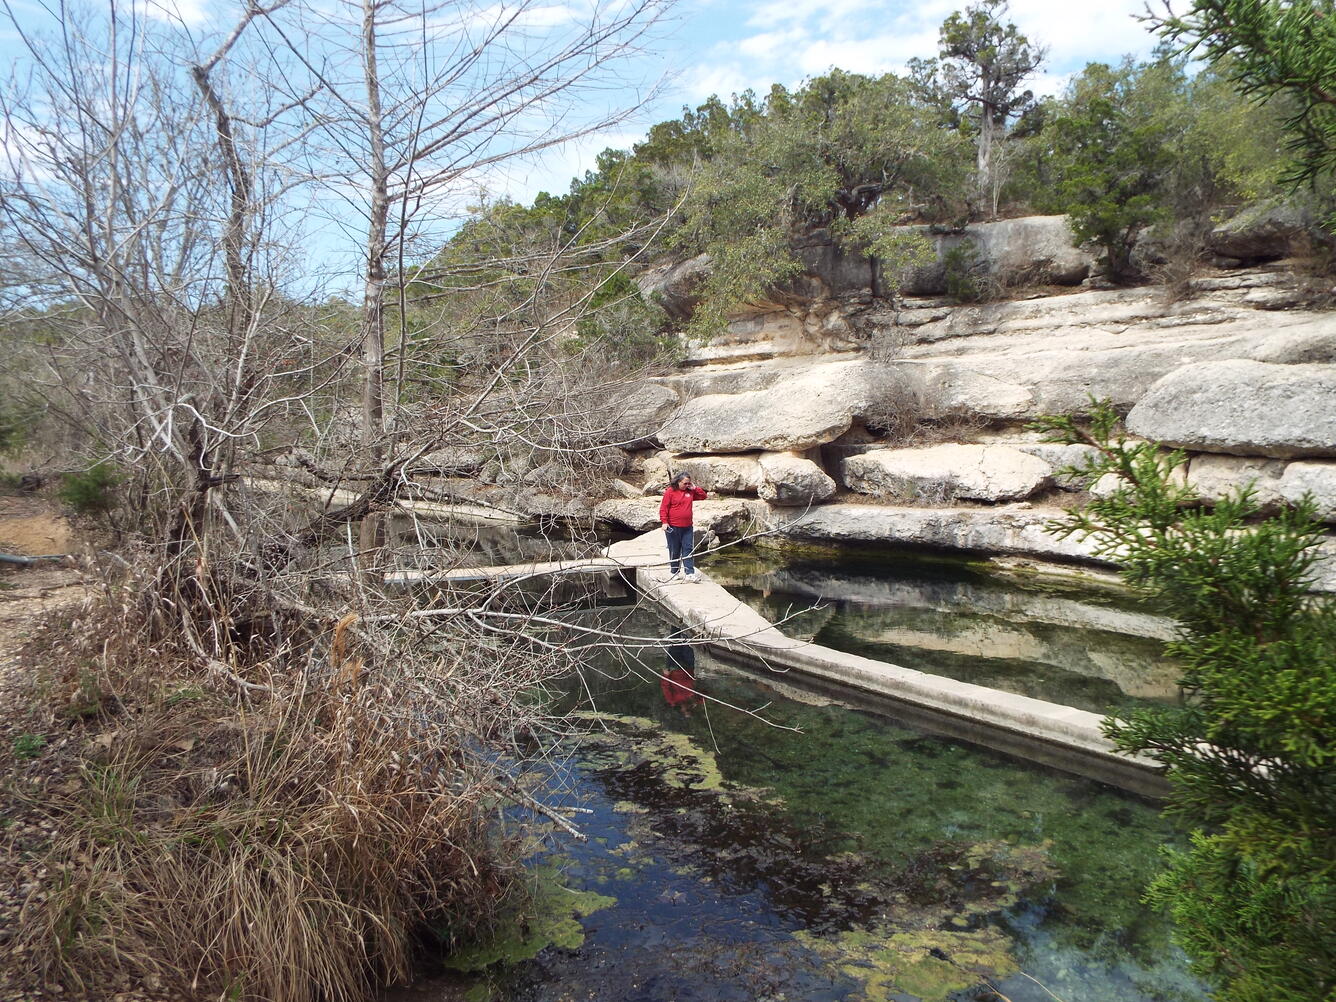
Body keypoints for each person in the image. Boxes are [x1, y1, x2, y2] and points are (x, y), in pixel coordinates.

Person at [658, 472, 707, 581]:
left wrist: (695, 488)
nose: (687, 485)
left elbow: (703, 496)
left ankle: (689, 573)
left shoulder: (690, 491)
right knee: (674, 549)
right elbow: (663, 508)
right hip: (673, 527)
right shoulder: (670, 492)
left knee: (688, 549)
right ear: (678, 482)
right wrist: (664, 522)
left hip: (687, 527)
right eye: (685, 483)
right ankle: (674, 571)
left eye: (688, 483)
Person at [660, 643, 703, 715]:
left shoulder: (672, 700)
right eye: (690, 709)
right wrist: (697, 701)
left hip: (674, 668)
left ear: (681, 710)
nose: (688, 707)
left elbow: (665, 687)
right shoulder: (694, 699)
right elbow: (706, 692)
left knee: (675, 642)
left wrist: (666, 675)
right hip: (689, 667)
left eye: (687, 710)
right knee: (689, 643)